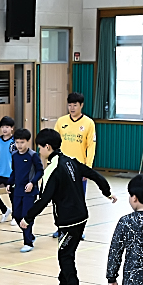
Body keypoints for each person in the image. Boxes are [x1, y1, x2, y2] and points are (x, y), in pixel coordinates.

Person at [20, 129, 116, 285]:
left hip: (70, 220)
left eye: (40, 147)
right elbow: (95, 175)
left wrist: (27, 218)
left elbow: (43, 199)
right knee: (64, 252)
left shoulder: (53, 169)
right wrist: (107, 192)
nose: (39, 150)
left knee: (66, 256)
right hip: (80, 217)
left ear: (47, 147)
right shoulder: (71, 161)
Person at [52, 92, 97, 238]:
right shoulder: (61, 121)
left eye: (75, 105)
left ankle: (79, 231)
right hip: (61, 167)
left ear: (81, 105)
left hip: (78, 168)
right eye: (69, 105)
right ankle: (60, 228)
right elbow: (54, 143)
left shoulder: (88, 123)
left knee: (78, 201)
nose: (72, 108)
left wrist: (87, 168)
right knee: (59, 199)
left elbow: (91, 146)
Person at [9, 128, 42, 252]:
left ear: (28, 141)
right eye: (17, 142)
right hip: (17, 190)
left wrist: (32, 183)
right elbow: (14, 171)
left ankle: (28, 242)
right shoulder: (14, 155)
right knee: (17, 215)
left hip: (30, 192)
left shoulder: (33, 155)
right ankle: (30, 235)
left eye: (22, 142)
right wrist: (9, 183)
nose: (19, 145)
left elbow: (40, 171)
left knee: (25, 216)